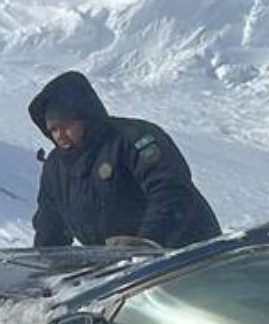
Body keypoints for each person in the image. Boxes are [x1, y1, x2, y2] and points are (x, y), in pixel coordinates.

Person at [28, 71, 221, 248]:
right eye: (53, 129)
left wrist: (149, 242)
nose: (60, 135)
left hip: (191, 259)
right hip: (126, 275)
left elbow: (170, 191)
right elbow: (50, 226)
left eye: (66, 125)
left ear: (84, 117)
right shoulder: (56, 168)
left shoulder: (132, 139)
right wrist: (44, 273)